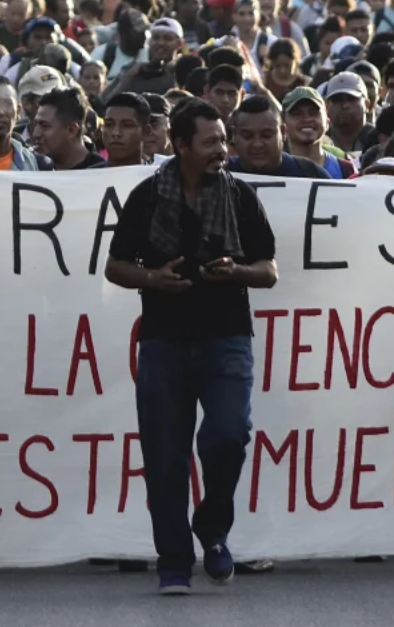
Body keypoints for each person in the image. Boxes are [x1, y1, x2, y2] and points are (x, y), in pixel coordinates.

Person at [105, 101, 278, 596]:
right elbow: (115, 267)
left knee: (229, 436)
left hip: (227, 340)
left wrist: (238, 272)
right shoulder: (145, 198)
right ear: (180, 146)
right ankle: (175, 564)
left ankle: (213, 526)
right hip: (163, 342)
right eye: (211, 142)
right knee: (165, 458)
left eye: (224, 141)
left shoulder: (240, 197)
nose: (222, 150)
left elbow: (268, 270)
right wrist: (152, 279)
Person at [227, 95, 330, 178]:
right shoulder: (220, 174)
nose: (257, 144)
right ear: (234, 135)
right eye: (247, 136)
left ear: (283, 132)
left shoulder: (311, 174)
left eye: (266, 136)